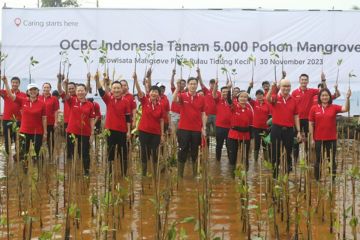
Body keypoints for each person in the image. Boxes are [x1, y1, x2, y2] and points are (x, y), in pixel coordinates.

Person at [309, 88, 351, 180]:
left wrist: (347, 98)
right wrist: (312, 139)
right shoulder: (314, 108)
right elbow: (311, 124)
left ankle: (333, 180)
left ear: (329, 97)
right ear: (319, 97)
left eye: (326, 95)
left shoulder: (334, 107)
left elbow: (346, 109)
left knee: (331, 160)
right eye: (323, 95)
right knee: (318, 160)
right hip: (318, 139)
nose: (325, 97)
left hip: (331, 139)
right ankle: (317, 180)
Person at [2, 77, 47, 160]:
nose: (33, 91)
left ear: (37, 91)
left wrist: (45, 132)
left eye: (35, 90)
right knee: (23, 153)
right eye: (31, 90)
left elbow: (44, 119)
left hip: (37, 132)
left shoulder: (42, 104)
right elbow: (10, 95)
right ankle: (24, 171)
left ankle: (37, 170)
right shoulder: (23, 101)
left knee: (37, 154)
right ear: (28, 92)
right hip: (24, 131)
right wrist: (5, 82)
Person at [173, 70, 206, 178]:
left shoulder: (201, 98)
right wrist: (177, 88)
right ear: (187, 85)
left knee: (195, 152)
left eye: (194, 84)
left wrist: (204, 127)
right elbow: (174, 100)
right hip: (183, 129)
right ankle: (180, 176)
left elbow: (203, 114)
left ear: (197, 85)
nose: (193, 85)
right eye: (191, 84)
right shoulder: (182, 95)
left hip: (196, 130)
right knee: (182, 151)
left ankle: (195, 174)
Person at [95, 73, 131, 176]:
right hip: (110, 130)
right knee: (110, 153)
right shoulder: (108, 99)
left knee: (123, 153)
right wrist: (97, 80)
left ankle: (124, 174)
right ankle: (110, 174)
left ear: (121, 89)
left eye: (118, 88)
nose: (116, 90)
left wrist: (128, 131)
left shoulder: (126, 101)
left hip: (122, 131)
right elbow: (101, 91)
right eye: (114, 88)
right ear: (111, 90)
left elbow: (128, 118)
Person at [267, 79, 302, 178]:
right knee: (275, 153)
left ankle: (287, 175)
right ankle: (275, 175)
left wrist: (298, 131)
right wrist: (272, 88)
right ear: (280, 87)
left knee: (288, 152)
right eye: (284, 86)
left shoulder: (293, 100)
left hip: (289, 130)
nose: (286, 88)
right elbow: (268, 98)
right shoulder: (275, 98)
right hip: (276, 129)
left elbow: (296, 116)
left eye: (288, 86)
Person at [59, 80, 95, 176]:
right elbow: (61, 92)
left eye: (82, 90)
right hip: (72, 132)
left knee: (84, 153)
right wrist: (61, 82)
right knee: (71, 152)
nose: (80, 92)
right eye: (78, 90)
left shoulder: (90, 104)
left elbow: (91, 119)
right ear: (76, 92)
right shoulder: (72, 101)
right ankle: (72, 171)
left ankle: (86, 172)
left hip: (85, 132)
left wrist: (92, 133)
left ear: (85, 91)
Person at [133, 71, 165, 176]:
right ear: (149, 93)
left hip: (156, 133)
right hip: (144, 131)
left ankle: (155, 173)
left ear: (158, 94)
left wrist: (162, 135)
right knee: (144, 152)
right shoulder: (145, 101)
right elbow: (139, 91)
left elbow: (161, 120)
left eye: (156, 92)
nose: (154, 93)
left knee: (154, 153)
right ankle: (144, 173)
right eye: (152, 92)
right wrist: (135, 80)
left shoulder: (161, 105)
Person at [291, 73, 326, 162]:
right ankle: (295, 161)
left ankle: (307, 159)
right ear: (299, 81)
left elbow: (324, 90)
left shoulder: (312, 91)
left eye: (305, 80)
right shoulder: (294, 92)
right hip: (297, 120)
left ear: (308, 81)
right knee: (296, 141)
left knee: (308, 140)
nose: (304, 81)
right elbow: (292, 106)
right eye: (302, 80)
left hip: (308, 120)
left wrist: (323, 80)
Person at [228, 91, 253, 175]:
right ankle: (232, 176)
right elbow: (229, 100)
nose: (243, 98)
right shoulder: (234, 106)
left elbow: (251, 124)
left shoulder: (250, 109)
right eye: (241, 97)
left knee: (245, 157)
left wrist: (251, 136)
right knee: (233, 156)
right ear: (237, 98)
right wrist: (229, 90)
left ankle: (244, 176)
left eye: (245, 97)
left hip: (245, 135)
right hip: (234, 135)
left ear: (247, 99)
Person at [0, 76, 26, 155]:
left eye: (16, 83)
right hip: (7, 120)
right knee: (8, 140)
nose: (14, 84)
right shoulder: (5, 92)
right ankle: (8, 157)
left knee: (19, 139)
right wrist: (4, 81)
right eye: (13, 82)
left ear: (19, 84)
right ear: (11, 83)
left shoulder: (23, 95)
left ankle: (18, 156)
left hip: (19, 120)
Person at [57, 74, 76, 158]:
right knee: (69, 143)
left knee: (79, 144)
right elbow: (60, 90)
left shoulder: (79, 96)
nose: (71, 90)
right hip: (67, 122)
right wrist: (60, 80)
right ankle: (70, 160)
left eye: (72, 88)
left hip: (78, 123)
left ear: (76, 89)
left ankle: (78, 159)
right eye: (69, 88)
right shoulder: (66, 97)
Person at [249, 89, 271, 162]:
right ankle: (255, 161)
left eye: (261, 94)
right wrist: (249, 87)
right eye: (257, 94)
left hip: (265, 128)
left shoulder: (267, 103)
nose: (259, 96)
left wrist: (270, 127)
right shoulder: (254, 103)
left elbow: (270, 116)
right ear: (256, 96)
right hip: (256, 128)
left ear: (263, 95)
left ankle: (266, 160)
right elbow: (247, 96)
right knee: (257, 144)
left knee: (265, 144)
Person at [212, 80, 232, 162]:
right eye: (223, 92)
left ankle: (230, 161)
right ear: (221, 92)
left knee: (229, 145)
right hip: (219, 127)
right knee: (219, 145)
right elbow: (213, 94)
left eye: (226, 92)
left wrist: (230, 87)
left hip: (230, 128)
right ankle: (217, 161)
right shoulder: (218, 100)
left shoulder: (231, 102)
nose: (225, 93)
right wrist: (216, 85)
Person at [39, 82, 59, 158]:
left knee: (50, 140)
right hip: (40, 122)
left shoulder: (54, 99)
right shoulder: (39, 97)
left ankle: (50, 155)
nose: (46, 89)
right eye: (45, 87)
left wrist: (56, 122)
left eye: (48, 87)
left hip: (50, 122)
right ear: (42, 88)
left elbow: (56, 111)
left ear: (50, 89)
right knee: (40, 139)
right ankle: (41, 155)